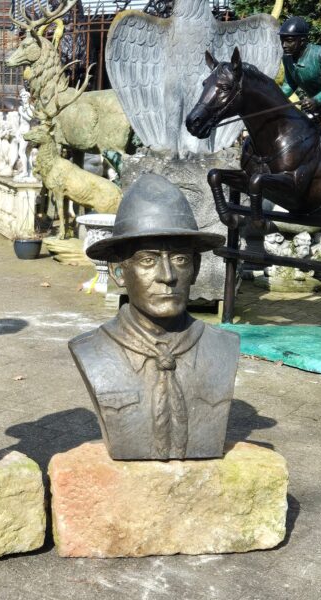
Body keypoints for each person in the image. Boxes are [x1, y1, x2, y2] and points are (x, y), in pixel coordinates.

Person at [69, 174, 240, 461]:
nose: (167, 276)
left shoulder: (223, 346)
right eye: (148, 260)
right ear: (119, 272)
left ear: (196, 269)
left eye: (180, 259)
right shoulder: (90, 349)